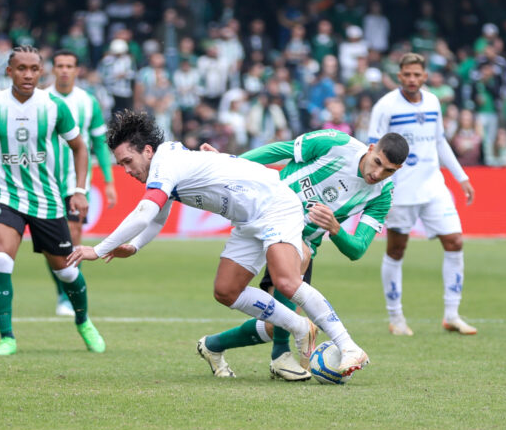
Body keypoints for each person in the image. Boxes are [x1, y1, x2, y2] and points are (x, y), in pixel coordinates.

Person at [67, 110, 370, 381]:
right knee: (226, 291)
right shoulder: (165, 163)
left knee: (286, 281)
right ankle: (300, 327)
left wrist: (99, 249)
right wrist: (132, 247)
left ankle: (349, 346)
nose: (127, 171)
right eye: (121, 165)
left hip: (275, 204)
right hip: (248, 219)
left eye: (127, 162)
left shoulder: (166, 162)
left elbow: (145, 211)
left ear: (147, 151)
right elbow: (158, 218)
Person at [198, 130, 409, 381]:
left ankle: (213, 345)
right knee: (243, 286)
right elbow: (280, 150)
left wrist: (335, 228)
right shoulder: (336, 144)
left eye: (389, 171)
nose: (378, 174)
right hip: (267, 209)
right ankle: (282, 355)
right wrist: (229, 162)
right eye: (377, 163)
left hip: (300, 238)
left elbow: (357, 249)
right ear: (371, 148)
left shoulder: (383, 194)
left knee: (274, 323)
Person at [0, 45, 104, 356]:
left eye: (33, 69)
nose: (27, 74)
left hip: (48, 200)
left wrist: (79, 190)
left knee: (66, 272)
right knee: (0, 259)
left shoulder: (53, 107)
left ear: (42, 72)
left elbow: (81, 148)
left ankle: (83, 321)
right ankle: (7, 338)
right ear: (9, 71)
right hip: (6, 196)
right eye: (21, 68)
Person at [368, 52, 477, 337]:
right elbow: (372, 147)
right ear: (399, 76)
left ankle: (452, 315)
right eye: (407, 75)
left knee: (454, 241)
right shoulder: (385, 107)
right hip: (400, 191)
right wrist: (375, 184)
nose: (413, 79)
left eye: (418, 75)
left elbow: (439, 141)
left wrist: (461, 177)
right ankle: (396, 319)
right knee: (396, 249)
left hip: (433, 187)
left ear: (425, 76)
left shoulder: (433, 102)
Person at [47, 50, 117, 317]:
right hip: (44, 182)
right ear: (53, 69)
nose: (64, 70)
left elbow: (99, 143)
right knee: (51, 245)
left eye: (69, 66)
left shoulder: (88, 102)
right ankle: (61, 291)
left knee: (74, 235)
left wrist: (109, 181)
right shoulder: (42, 99)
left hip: (76, 183)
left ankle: (68, 296)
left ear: (77, 70)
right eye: (60, 65)